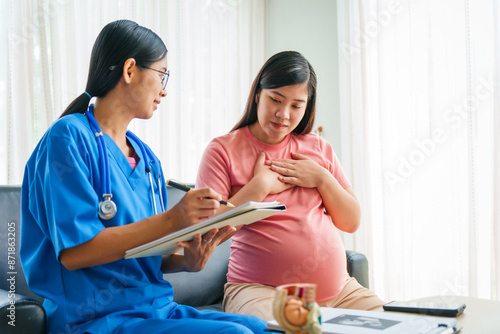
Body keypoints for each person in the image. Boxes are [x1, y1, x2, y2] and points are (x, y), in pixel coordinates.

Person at [20, 19, 267, 334]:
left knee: (260, 328)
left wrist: (186, 261)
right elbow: (75, 253)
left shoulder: (146, 158)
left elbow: (146, 252)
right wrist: (173, 220)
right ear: (130, 70)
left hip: (155, 309)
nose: (164, 90)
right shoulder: (67, 138)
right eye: (162, 75)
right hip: (94, 319)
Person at [196, 51, 385, 321]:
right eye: (276, 99)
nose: (283, 114)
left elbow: (351, 221)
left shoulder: (318, 148)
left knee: (409, 326)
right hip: (259, 290)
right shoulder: (222, 150)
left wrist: (322, 178)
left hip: (341, 291)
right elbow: (206, 233)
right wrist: (258, 187)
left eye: (297, 105)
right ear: (258, 94)